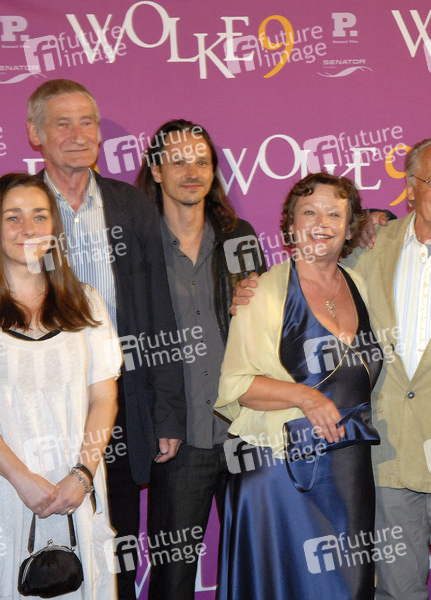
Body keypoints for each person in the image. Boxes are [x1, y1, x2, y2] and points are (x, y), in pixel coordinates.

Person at [233, 135, 431, 599]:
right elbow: (310, 277)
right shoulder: (369, 248)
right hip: (384, 456)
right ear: (410, 187)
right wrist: (252, 289)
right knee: (393, 593)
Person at [26, 79, 186, 599]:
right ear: (35, 133)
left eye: (87, 122)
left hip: (119, 402)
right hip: (40, 408)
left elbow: (160, 310)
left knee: (116, 548)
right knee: (46, 550)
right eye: (62, 123)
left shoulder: (132, 205)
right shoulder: (15, 206)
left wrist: (166, 411)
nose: (79, 135)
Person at [0, 173, 121, 599]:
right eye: (13, 217)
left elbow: (104, 397)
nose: (29, 228)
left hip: (76, 485)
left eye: (39, 216)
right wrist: (22, 479)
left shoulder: (86, 301)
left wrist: (82, 474)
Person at [216, 173, 382, 600]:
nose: (322, 223)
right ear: (290, 226)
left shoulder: (359, 284)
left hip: (349, 473)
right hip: (282, 475)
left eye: (334, 214)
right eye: (309, 213)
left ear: (350, 227)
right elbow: (237, 385)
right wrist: (306, 397)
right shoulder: (262, 291)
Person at [133, 119, 266, 599]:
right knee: (172, 581)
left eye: (202, 162)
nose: (192, 172)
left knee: (254, 570)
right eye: (179, 162)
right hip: (179, 437)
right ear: (156, 170)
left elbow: (265, 331)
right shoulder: (136, 244)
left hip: (243, 430)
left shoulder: (237, 236)